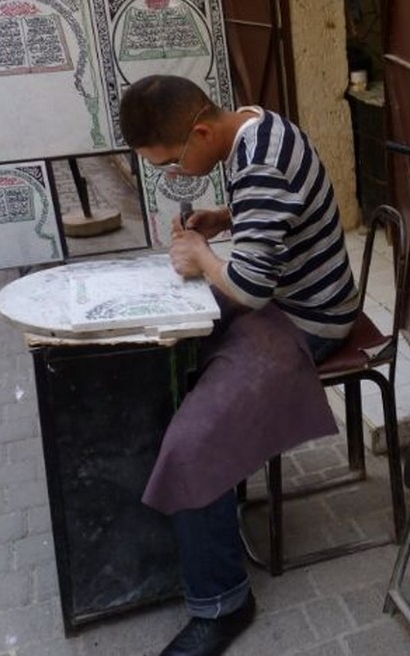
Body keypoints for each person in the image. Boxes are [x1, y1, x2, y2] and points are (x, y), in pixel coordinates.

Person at [119, 74, 360, 656]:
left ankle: (222, 603)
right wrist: (226, 220)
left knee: (194, 440)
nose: (172, 176)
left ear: (202, 130)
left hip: (307, 317)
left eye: (170, 164)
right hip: (285, 299)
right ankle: (201, 507)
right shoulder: (252, 124)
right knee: (166, 356)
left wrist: (202, 256)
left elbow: (250, 289)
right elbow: (275, 211)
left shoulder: (259, 159)